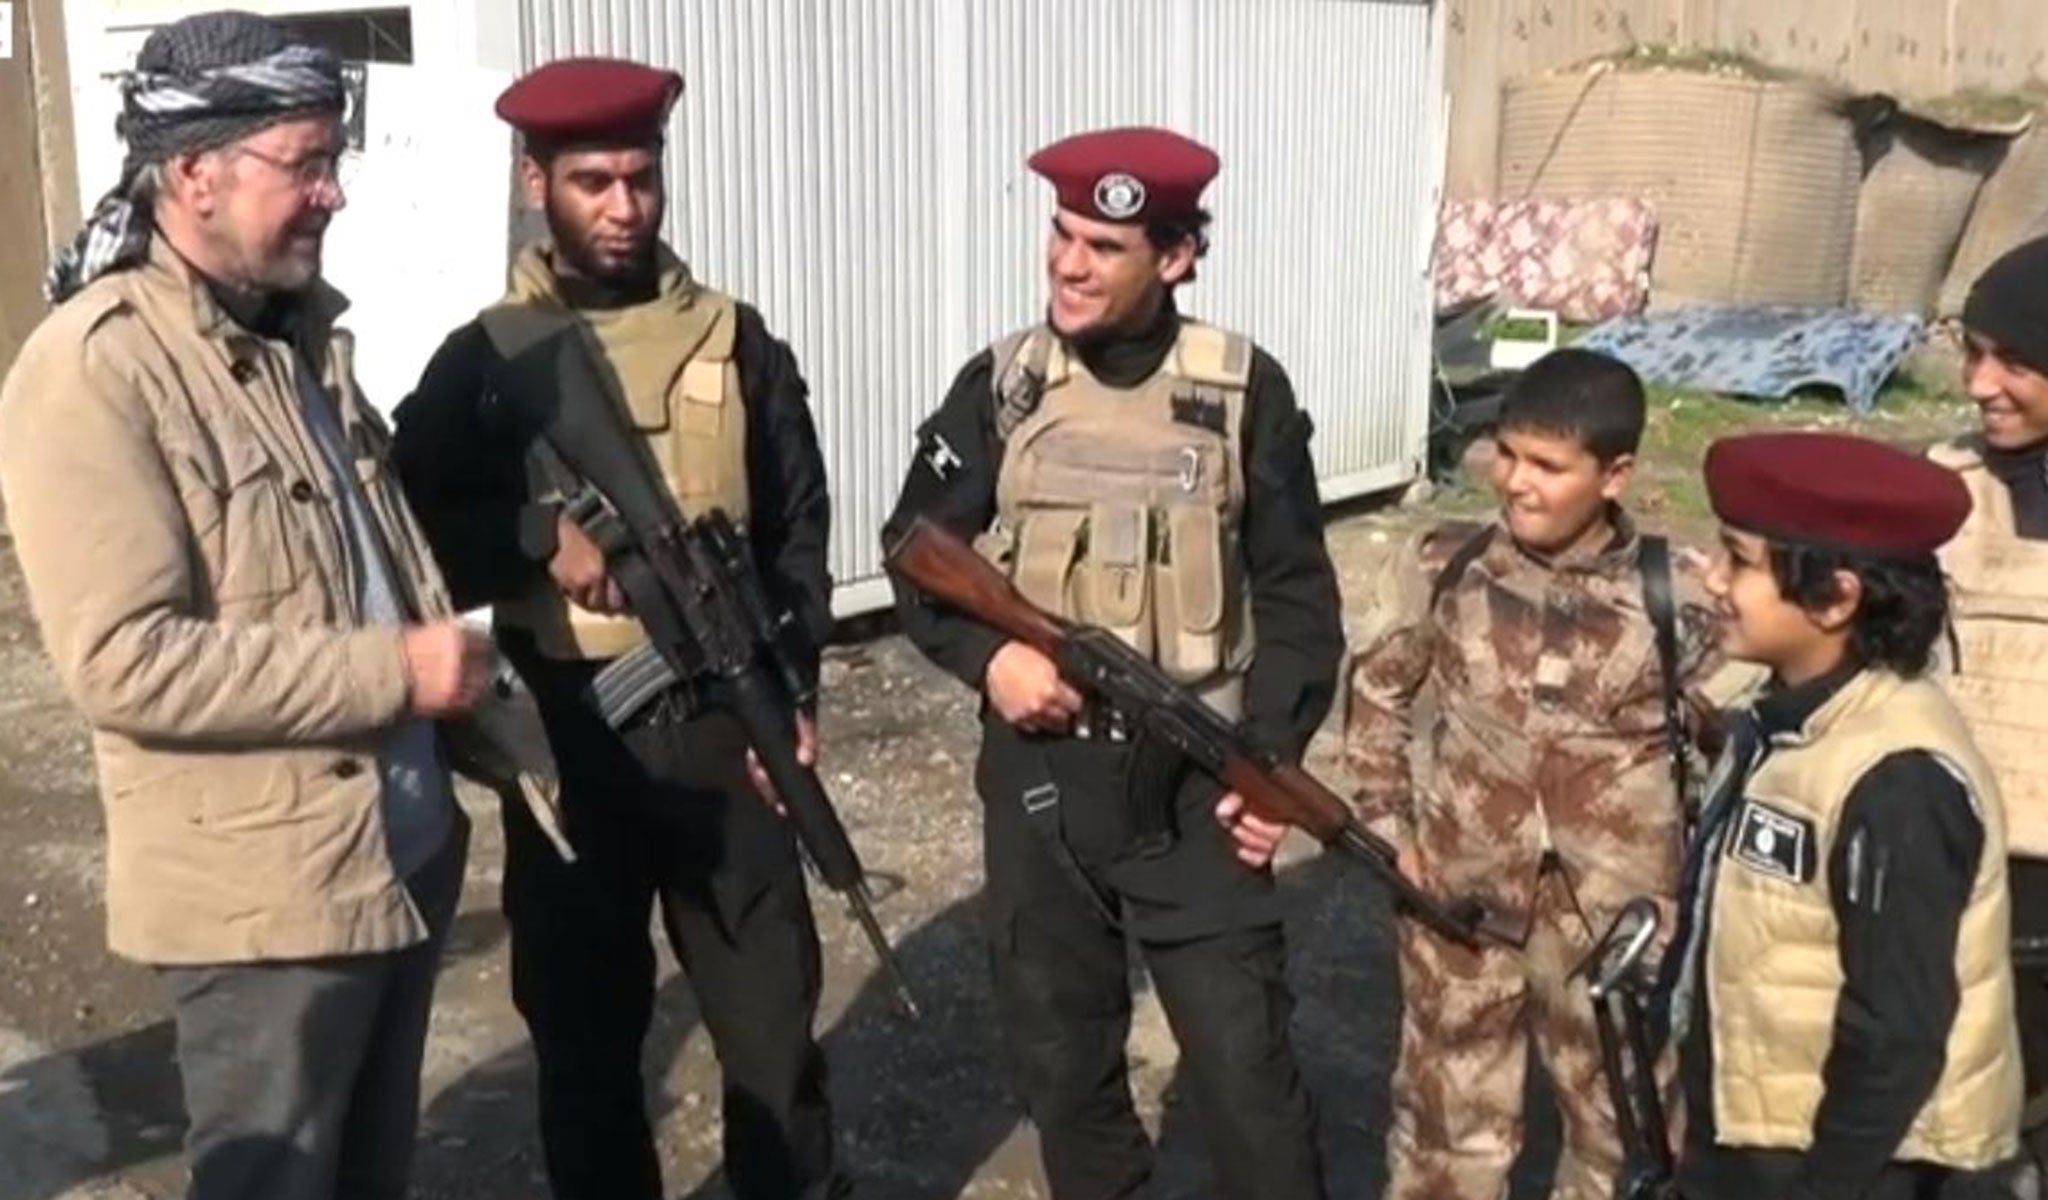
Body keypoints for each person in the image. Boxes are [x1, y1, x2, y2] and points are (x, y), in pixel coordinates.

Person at [0, 12, 490, 1200]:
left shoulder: (293, 338)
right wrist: (398, 674)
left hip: (397, 858)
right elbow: (124, 660)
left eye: (334, 161)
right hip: (267, 912)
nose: (331, 194)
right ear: (193, 172)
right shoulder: (95, 368)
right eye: (303, 163)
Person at [389, 57, 845, 1200]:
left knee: (773, 1032)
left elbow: (797, 527)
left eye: (640, 178)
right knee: (587, 1044)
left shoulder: (735, 340)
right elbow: (405, 525)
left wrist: (788, 692)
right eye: (591, 181)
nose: (623, 206)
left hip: (722, 734)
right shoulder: (486, 360)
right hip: (572, 736)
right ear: (534, 181)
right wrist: (537, 534)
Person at [882, 125, 1342, 1200]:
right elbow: (911, 551)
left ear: (1175, 257)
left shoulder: (1239, 390)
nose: (1067, 264)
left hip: (1192, 789)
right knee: (1063, 1066)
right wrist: (988, 660)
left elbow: (1295, 594)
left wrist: (1267, 760)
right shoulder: (1003, 383)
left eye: (1102, 245)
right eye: (1060, 233)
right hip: (1042, 782)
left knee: (1244, 1075)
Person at [1293, 349, 1725, 1200]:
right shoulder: (1444, 567)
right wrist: (1390, 833)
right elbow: (1375, 697)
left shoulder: (1680, 598)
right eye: (1509, 454)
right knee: (1447, 1127)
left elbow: (1732, 750)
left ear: (1616, 474)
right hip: (1457, 897)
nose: (1516, 482)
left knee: (1623, 1129)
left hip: (1617, 923)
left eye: (1549, 467)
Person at [1665, 431, 2020, 1200]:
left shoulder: (1898, 779)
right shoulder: (1783, 722)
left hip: (1863, 1171)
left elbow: (1897, 1037)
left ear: (1834, 596)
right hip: (1765, 1145)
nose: (1712, 579)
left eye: (1740, 560)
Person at [1930, 233, 2048, 1182]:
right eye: (1973, 352)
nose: (1981, 383)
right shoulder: (1941, 496)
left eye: (2015, 360)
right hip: (1961, 870)